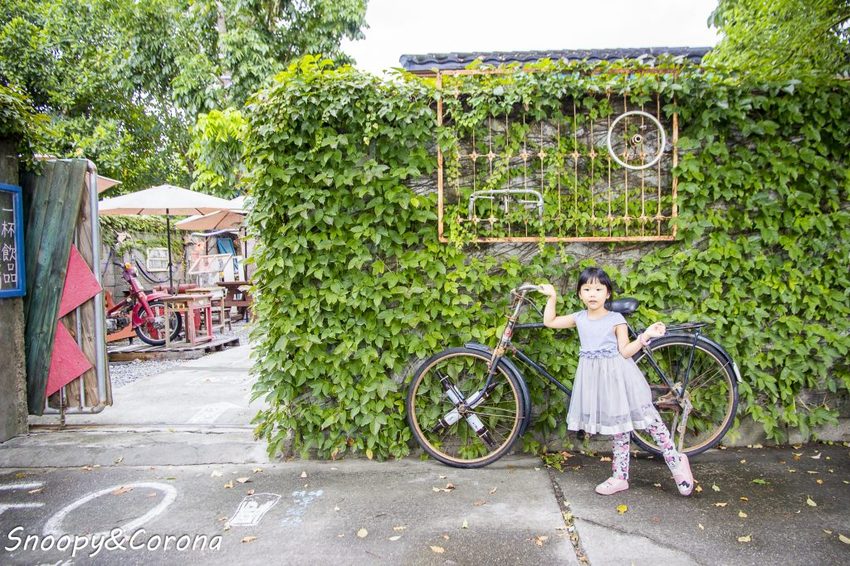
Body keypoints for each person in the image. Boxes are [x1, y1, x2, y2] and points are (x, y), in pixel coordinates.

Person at [538, 267, 694, 496]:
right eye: (587, 289)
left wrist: (645, 336)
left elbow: (625, 351)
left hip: (621, 377)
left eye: (598, 289)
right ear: (580, 294)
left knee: (650, 420)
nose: (593, 294)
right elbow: (549, 321)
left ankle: (676, 462)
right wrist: (552, 296)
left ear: (608, 293)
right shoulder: (579, 318)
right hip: (597, 381)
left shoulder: (616, 320)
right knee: (618, 428)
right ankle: (620, 476)